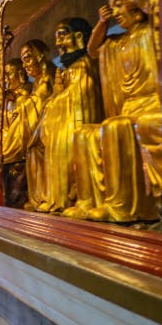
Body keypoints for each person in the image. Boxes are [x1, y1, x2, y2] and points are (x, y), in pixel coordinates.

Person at [66, 0, 162, 222]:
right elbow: (93, 50)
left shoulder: (154, 32)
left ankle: (123, 206)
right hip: (128, 110)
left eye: (120, 5)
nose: (117, 12)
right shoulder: (117, 44)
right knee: (83, 134)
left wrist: (141, 2)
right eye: (113, 7)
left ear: (136, 3)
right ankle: (89, 201)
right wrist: (102, 23)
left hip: (153, 107)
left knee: (114, 127)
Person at [25, 19, 103, 213]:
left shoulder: (85, 65)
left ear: (78, 37)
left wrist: (54, 101)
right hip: (62, 119)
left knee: (63, 143)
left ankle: (66, 198)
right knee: (37, 146)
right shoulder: (65, 72)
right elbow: (56, 98)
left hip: (78, 119)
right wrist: (55, 98)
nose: (58, 43)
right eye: (56, 38)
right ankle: (48, 196)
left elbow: (81, 96)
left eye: (62, 36)